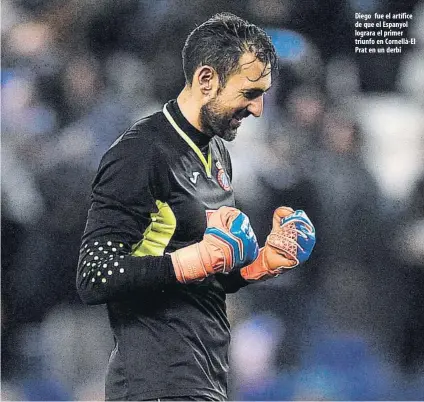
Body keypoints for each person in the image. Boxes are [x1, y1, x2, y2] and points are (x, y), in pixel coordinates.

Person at [76, 12, 316, 401]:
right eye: (249, 93)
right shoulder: (141, 153)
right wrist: (195, 259)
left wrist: (263, 264)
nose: (257, 109)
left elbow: (209, 278)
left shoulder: (218, 153)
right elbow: (94, 274)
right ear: (207, 80)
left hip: (208, 379)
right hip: (153, 384)